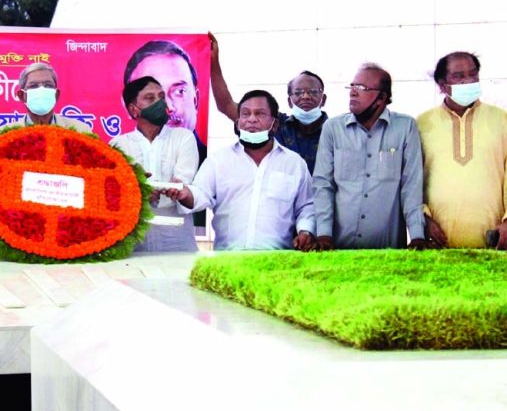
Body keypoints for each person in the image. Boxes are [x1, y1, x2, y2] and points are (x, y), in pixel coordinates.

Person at [169, 90, 314, 250]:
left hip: (276, 261)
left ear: (275, 124)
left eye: (259, 113)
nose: (251, 119)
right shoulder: (219, 160)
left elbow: (306, 206)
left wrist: (305, 231)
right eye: (245, 114)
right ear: (238, 122)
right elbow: (201, 194)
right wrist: (185, 193)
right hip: (227, 260)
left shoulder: (294, 163)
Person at [311, 63, 427, 250]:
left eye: (361, 88)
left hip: (388, 250)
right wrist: (324, 234)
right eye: (352, 86)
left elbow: (411, 185)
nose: (352, 92)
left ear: (381, 98)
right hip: (338, 247)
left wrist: (417, 235)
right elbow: (323, 184)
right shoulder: (333, 128)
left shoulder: (405, 127)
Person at [417, 52, 507, 249]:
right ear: (442, 85)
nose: (468, 81)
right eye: (459, 76)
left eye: (473, 74)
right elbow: (411, 180)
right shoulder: (421, 124)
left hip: (495, 242)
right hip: (438, 243)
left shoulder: (502, 120)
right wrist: (423, 218)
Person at [208, 33, 328, 174]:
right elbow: (226, 105)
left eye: (313, 92)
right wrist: (213, 62)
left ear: (323, 99)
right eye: (298, 92)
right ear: (289, 101)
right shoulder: (275, 124)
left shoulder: (335, 131)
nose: (306, 96)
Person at [110, 77, 199, 252]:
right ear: (134, 110)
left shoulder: (183, 137)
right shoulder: (118, 145)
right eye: (150, 98)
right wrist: (139, 193)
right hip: (134, 237)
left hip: (176, 236)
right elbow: (113, 194)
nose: (159, 102)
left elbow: (183, 180)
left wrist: (176, 187)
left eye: (161, 97)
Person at [0, 63, 91, 134]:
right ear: (21, 96)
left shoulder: (81, 131)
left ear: (56, 95)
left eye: (48, 85)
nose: (41, 90)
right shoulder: (2, 134)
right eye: (33, 86)